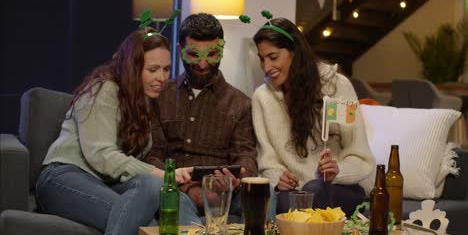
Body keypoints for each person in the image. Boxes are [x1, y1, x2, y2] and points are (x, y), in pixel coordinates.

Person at [35, 27, 193, 235]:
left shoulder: (144, 100)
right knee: (150, 225)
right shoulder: (104, 89)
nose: (162, 77)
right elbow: (102, 156)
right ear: (132, 67)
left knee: (169, 194)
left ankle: (198, 230)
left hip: (106, 183)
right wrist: (161, 174)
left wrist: (167, 177)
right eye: (153, 69)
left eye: (166, 69)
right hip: (63, 178)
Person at [144, 13, 262, 225]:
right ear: (180, 51)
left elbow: (245, 155)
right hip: (179, 190)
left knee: (263, 191)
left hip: (226, 192)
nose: (202, 64)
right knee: (175, 201)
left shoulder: (240, 103)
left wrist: (237, 177)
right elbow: (153, 155)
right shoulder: (160, 96)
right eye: (193, 54)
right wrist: (184, 185)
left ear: (222, 51)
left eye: (212, 54)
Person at [251, 17, 375, 216]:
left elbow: (360, 157)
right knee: (281, 200)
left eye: (273, 57)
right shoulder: (261, 98)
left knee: (313, 192)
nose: (266, 68)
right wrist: (279, 179)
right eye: (261, 59)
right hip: (293, 193)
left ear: (294, 52)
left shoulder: (337, 86)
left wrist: (337, 171)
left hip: (338, 188)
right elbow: (267, 162)